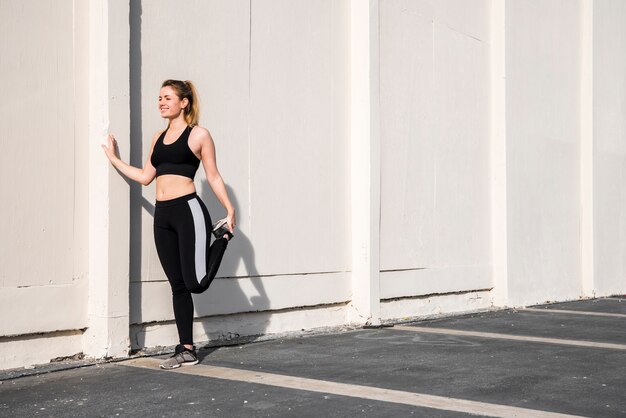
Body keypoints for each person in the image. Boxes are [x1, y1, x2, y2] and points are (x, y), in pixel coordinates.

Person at [101, 79, 236, 369]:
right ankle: (186, 348)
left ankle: (222, 239)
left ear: (184, 102)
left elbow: (212, 175)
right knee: (178, 285)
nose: (161, 102)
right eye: (159, 98)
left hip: (188, 210)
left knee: (196, 283)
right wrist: (114, 159)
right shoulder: (157, 138)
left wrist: (229, 208)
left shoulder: (199, 135)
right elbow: (146, 176)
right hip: (163, 215)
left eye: (168, 97)